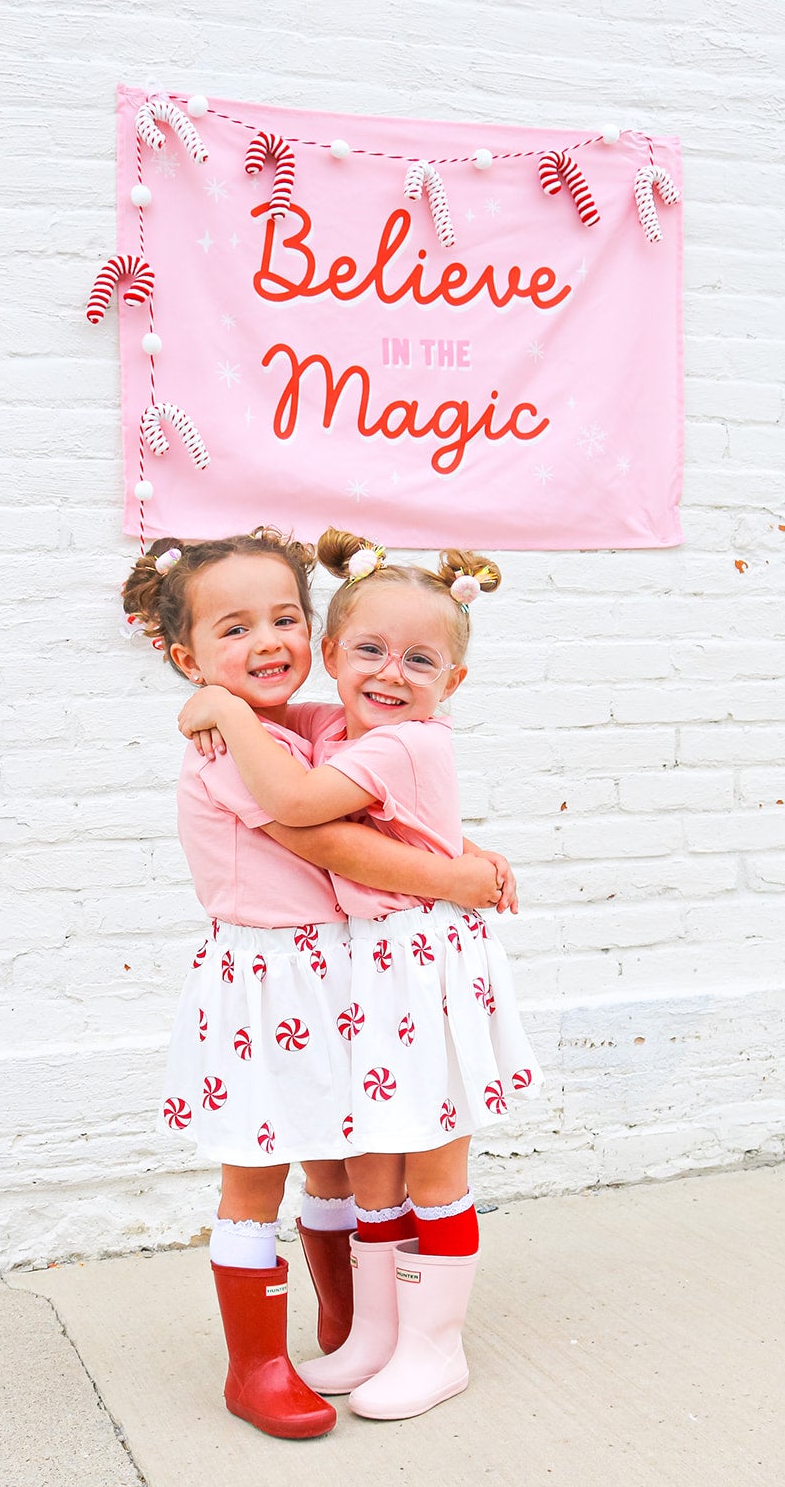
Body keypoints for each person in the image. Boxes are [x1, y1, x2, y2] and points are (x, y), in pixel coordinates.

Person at [123, 527, 505, 1440]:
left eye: (285, 618)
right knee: (259, 1166)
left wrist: (463, 851)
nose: (268, 642)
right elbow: (323, 836)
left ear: (315, 634)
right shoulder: (230, 747)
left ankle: (355, 1323)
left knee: (344, 1155)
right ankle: (255, 1362)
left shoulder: (320, 724)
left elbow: (397, 816)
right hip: (267, 984)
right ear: (186, 658)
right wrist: (462, 875)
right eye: (233, 630)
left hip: (348, 977)